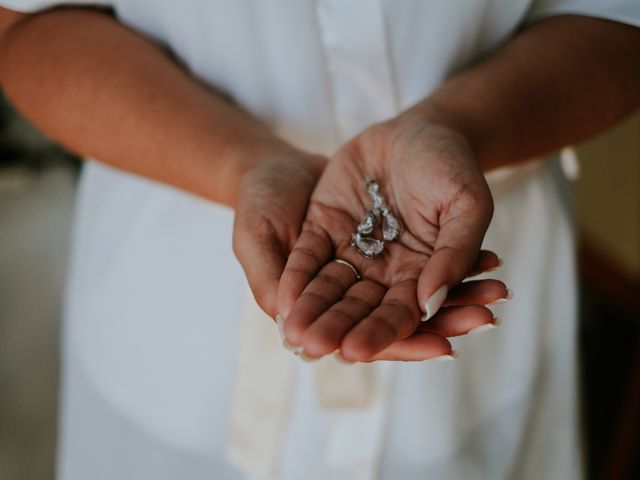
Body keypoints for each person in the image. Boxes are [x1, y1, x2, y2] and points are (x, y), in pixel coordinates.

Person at [0, 1, 639, 479]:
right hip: (178, 332)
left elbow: (618, 22)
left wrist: (461, 124)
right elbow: (25, 27)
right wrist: (243, 163)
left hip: (468, 365)